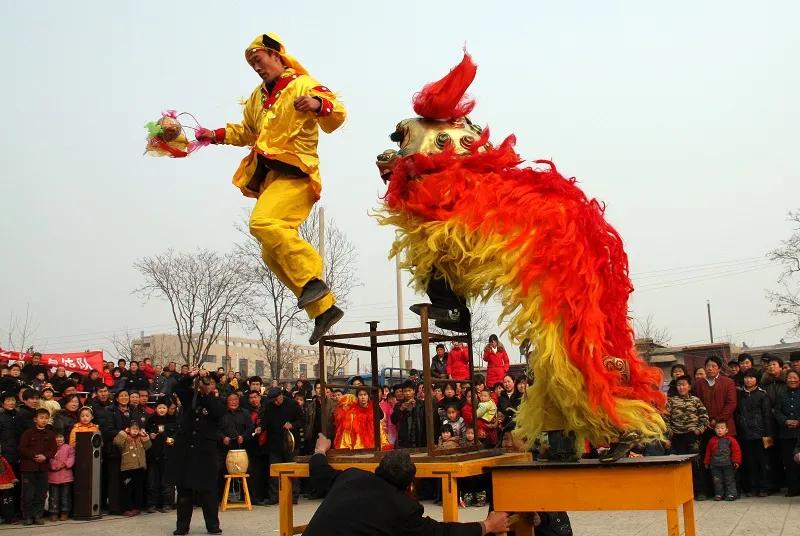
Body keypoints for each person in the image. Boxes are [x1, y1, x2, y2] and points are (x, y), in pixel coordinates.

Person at [196, 32, 346, 345]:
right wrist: (215, 134)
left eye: (259, 60)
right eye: (252, 64)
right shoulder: (257, 97)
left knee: (262, 223)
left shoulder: (303, 84)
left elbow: (338, 113)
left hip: (297, 173)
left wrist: (317, 104)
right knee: (270, 251)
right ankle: (324, 309)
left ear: (276, 55)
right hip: (271, 178)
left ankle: (313, 279)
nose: (256, 67)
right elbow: (247, 131)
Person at [304, 434, 510, 535]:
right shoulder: (402, 508)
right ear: (409, 485)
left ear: (378, 468)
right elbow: (442, 533)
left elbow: (320, 472)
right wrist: (488, 525)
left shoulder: (351, 477)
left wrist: (320, 450)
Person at [167, 368, 225, 535]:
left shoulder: (217, 401)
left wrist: (207, 393)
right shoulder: (190, 397)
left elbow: (217, 412)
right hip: (186, 450)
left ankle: (212, 525)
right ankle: (182, 526)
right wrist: (191, 375)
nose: (207, 385)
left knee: (208, 491)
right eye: (205, 382)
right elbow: (177, 387)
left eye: (211, 383)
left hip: (205, 452)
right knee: (184, 491)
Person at [663, 376, 709, 497]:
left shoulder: (696, 400)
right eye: (679, 385)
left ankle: (700, 491)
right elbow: (665, 419)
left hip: (692, 436)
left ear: (689, 386)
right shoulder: (671, 401)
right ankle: (683, 493)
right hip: (677, 437)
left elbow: (704, 418)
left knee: (696, 464)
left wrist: (699, 430)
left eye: (684, 385)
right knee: (680, 465)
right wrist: (669, 433)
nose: (681, 387)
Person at [263, 386, 304, 505]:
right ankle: (274, 496)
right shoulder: (269, 406)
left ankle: (293, 496)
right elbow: (265, 422)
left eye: (277, 399)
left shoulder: (292, 404)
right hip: (274, 443)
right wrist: (261, 427)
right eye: (273, 401)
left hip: (290, 443)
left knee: (292, 470)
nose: (275, 402)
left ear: (281, 395)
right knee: (274, 471)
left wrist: (292, 425)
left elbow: (302, 420)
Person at [736, 369, 773, 497]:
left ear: (757, 379)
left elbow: (767, 416)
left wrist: (768, 435)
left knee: (763, 462)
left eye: (751, 377)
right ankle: (752, 488)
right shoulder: (740, 395)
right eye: (746, 377)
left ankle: (764, 488)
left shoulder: (763, 395)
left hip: (761, 434)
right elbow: (738, 413)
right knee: (749, 463)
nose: (748, 380)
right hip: (745, 434)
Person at [18, 408, 56, 525]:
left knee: (41, 493)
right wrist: (34, 456)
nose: (44, 420)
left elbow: (53, 449)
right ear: (35, 419)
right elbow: (22, 448)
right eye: (41, 418)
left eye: (46, 418)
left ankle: (38, 515)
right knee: (28, 494)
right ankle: (27, 517)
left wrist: (45, 456)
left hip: (43, 467)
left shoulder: (50, 434)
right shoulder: (28, 433)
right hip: (29, 467)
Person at [145, 400, 177, 513]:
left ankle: (167, 504)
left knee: (166, 481)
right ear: (156, 409)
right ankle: (152, 504)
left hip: (167, 455)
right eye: (159, 408)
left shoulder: (172, 420)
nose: (162, 410)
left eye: (164, 408)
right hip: (153, 455)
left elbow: (176, 436)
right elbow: (144, 434)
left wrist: (171, 440)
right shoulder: (150, 420)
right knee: (152, 481)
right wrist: (149, 435)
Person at [773, 369, 800, 497]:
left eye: (795, 377)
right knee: (789, 462)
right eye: (790, 378)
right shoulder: (781, 394)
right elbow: (776, 411)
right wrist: (785, 421)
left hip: (799, 432)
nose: (792, 380)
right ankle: (793, 489)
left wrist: (798, 421)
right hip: (786, 433)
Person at [704, 422, 741, 501]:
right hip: (715, 465)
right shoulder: (712, 440)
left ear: (726, 430)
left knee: (729, 480)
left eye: (722, 428)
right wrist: (706, 462)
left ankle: (731, 494)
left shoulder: (731, 440)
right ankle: (719, 494)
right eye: (717, 428)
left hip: (728, 464)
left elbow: (736, 451)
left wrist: (736, 461)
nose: (719, 430)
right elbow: (708, 452)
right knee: (717, 480)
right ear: (714, 430)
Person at [47, 433, 74, 521]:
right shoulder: (51, 448)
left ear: (64, 439)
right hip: (53, 477)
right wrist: (56, 466)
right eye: (57, 439)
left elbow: (72, 457)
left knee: (65, 496)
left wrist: (65, 464)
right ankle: (53, 512)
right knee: (53, 497)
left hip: (66, 477)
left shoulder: (68, 448)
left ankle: (64, 512)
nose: (59, 441)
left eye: (61, 439)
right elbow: (49, 459)